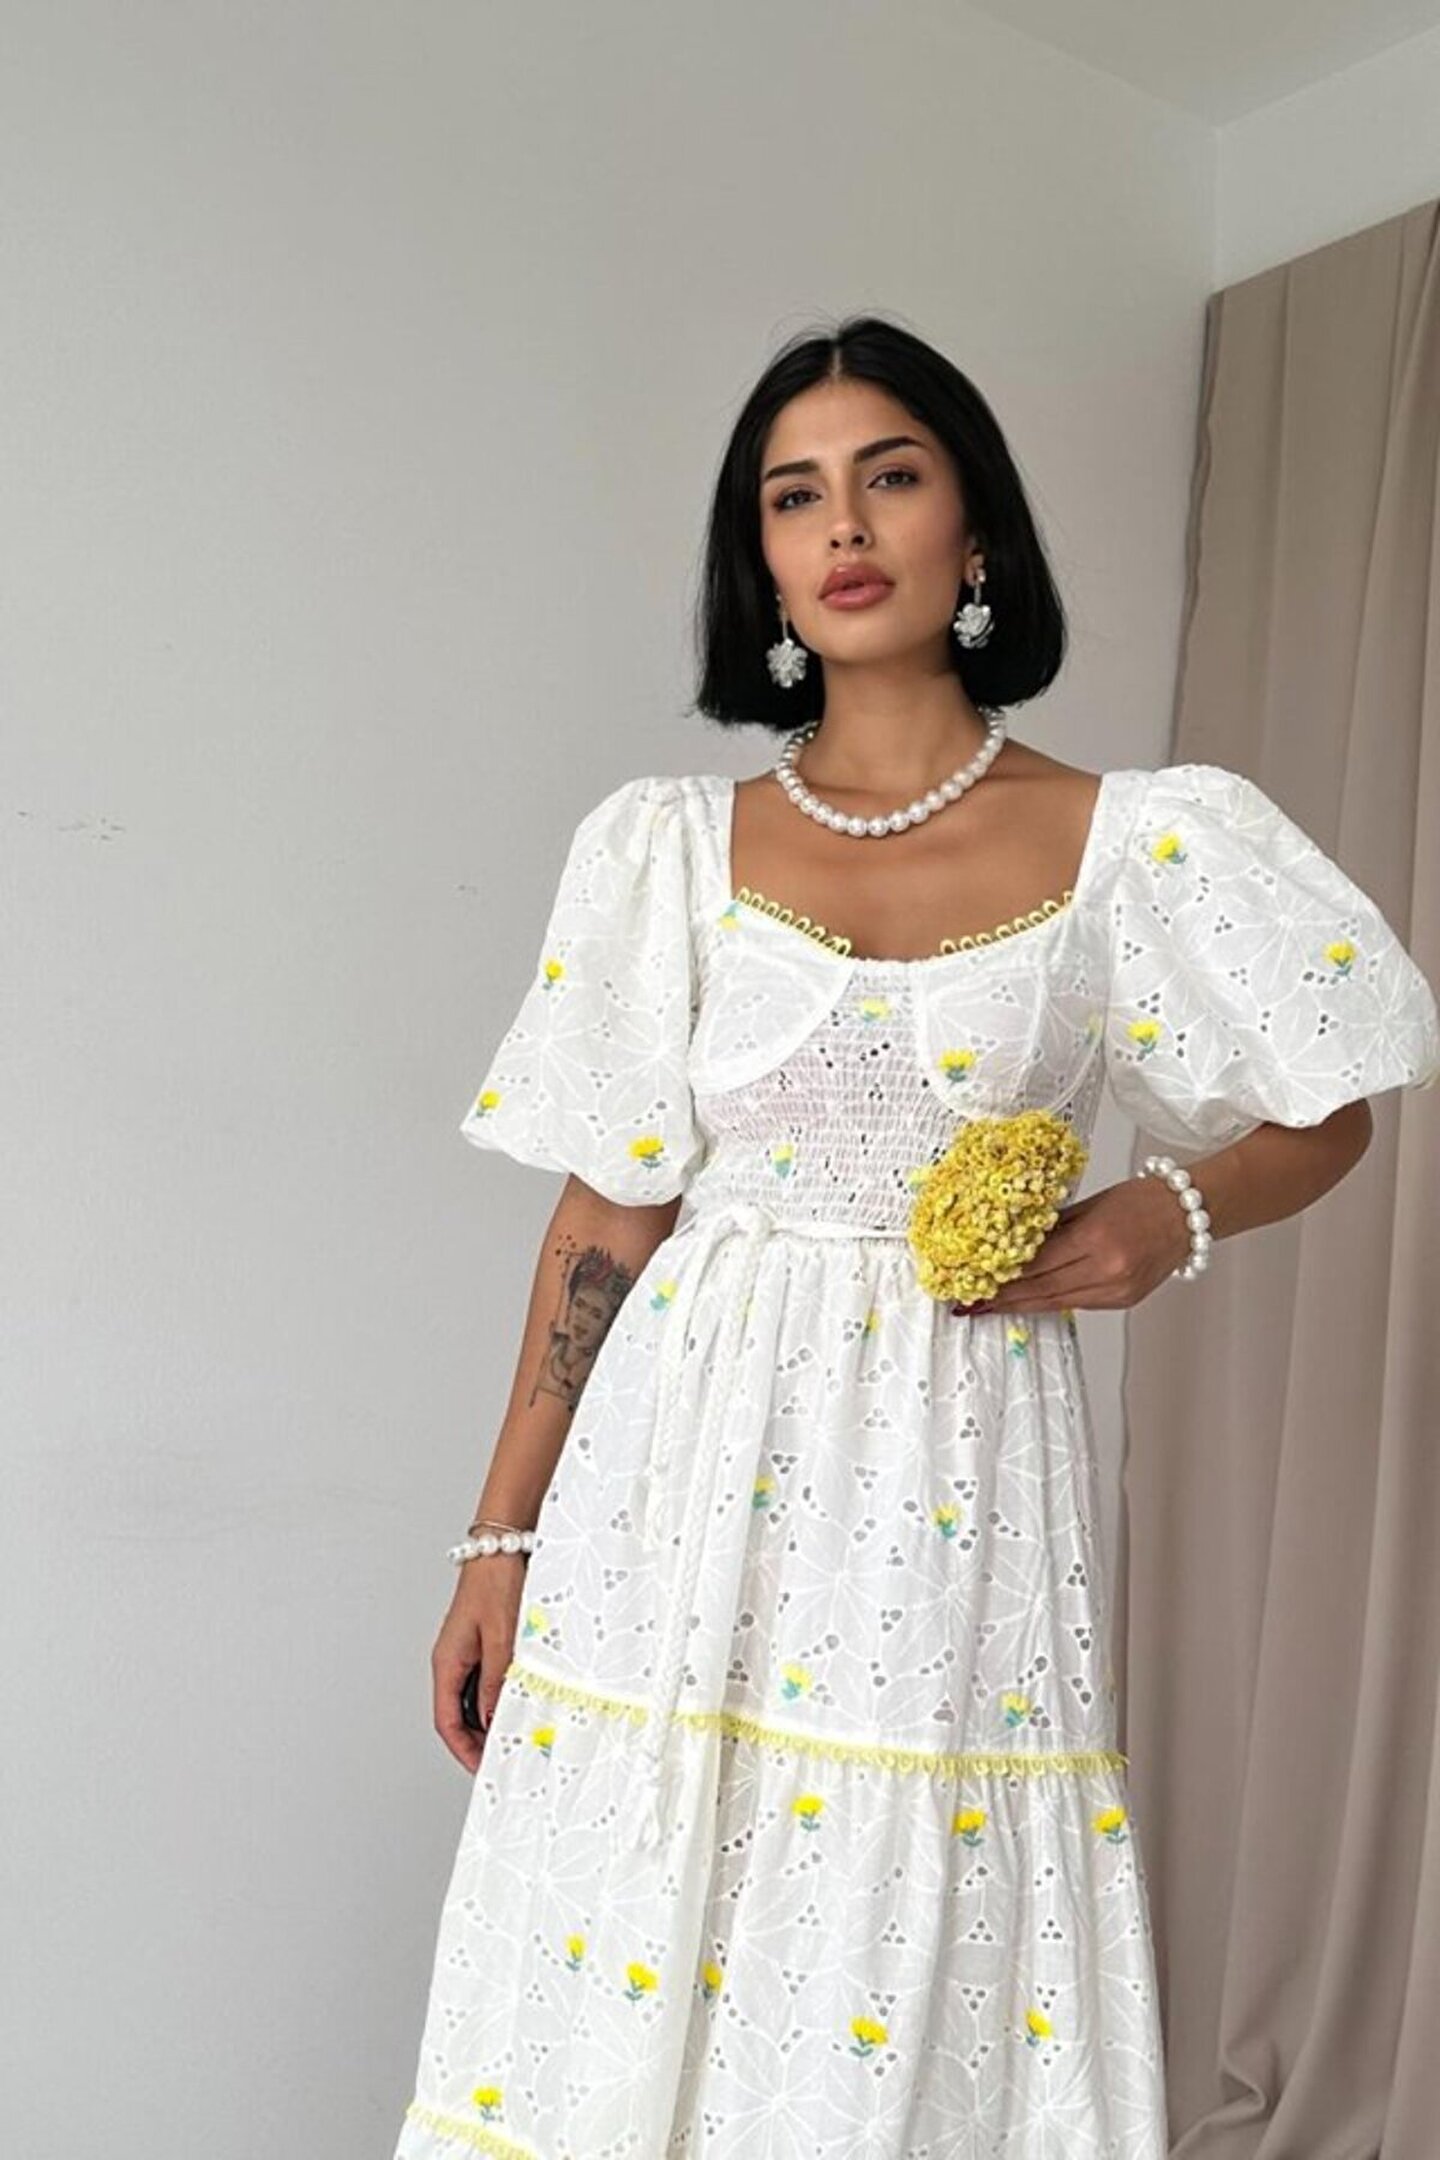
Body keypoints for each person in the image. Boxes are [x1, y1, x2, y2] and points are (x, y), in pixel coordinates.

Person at [393, 315, 1440, 2159]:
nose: (844, 526)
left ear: (978, 531)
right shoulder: (664, 850)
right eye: (793, 496)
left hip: (954, 1455)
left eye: (890, 475)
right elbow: (610, 1205)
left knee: (907, 1897)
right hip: (685, 1453)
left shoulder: (1134, 842)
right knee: (644, 1892)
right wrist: (500, 1534)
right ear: (763, 560)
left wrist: (1169, 1212)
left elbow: (1330, 1102)